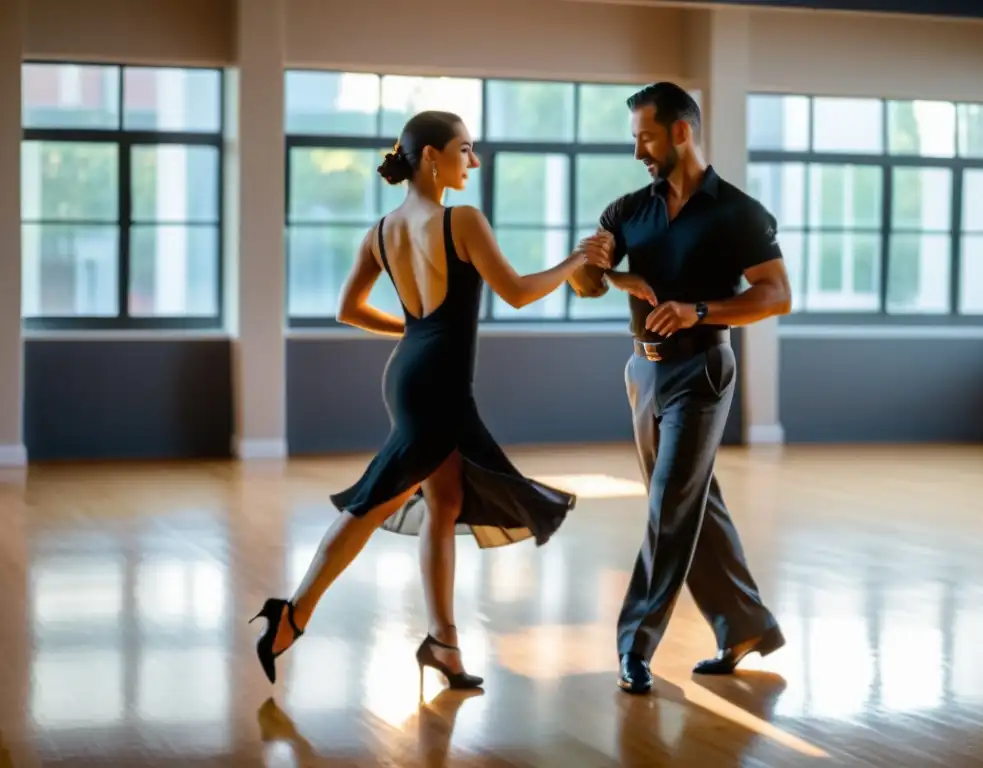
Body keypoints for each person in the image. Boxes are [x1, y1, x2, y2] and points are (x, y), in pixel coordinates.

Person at [251, 110, 597, 692]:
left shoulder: (381, 230)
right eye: (465, 149)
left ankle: (444, 643)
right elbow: (514, 293)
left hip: (410, 372)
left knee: (446, 500)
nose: (474, 161)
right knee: (377, 498)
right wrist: (575, 262)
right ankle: (294, 612)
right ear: (432, 157)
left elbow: (348, 310)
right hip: (437, 383)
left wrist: (414, 336)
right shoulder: (461, 221)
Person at [569, 82, 792, 694]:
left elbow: (777, 295)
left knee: (670, 503)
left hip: (702, 371)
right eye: (635, 137)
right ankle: (744, 625)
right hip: (642, 372)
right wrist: (598, 268)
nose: (638, 148)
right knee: (694, 503)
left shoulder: (737, 212)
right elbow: (587, 285)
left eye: (646, 136)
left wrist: (700, 310)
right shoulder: (626, 210)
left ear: (681, 132)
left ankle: (633, 645)